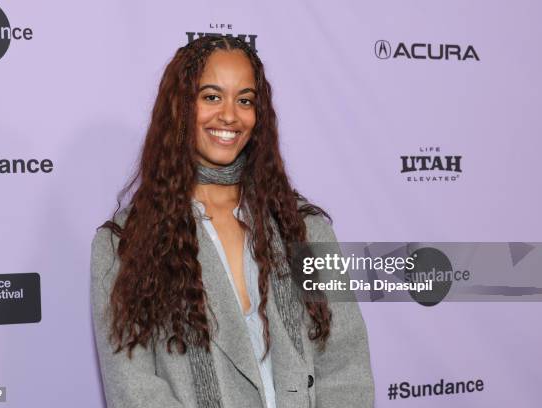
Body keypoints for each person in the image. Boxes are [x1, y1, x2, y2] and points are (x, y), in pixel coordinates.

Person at [90, 35, 374, 408]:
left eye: (245, 100)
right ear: (180, 107)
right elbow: (134, 389)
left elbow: (344, 364)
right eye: (211, 96)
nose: (229, 115)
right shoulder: (125, 244)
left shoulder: (304, 229)